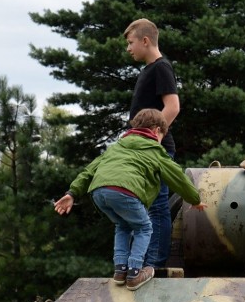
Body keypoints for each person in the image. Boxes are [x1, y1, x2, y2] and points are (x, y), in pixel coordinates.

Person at [55, 109, 205, 291]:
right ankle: (134, 273)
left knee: (123, 225)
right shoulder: (155, 150)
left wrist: (72, 193)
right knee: (144, 227)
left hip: (99, 192)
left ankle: (120, 271)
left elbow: (89, 170)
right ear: (157, 131)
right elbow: (178, 178)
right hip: (124, 191)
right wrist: (195, 200)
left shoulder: (117, 147)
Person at [125, 18, 180, 270]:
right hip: (141, 150)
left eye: (131, 42)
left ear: (145, 41)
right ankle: (141, 261)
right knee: (144, 206)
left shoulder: (161, 67)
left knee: (157, 206)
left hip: (155, 150)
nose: (129, 48)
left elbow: (172, 107)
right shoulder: (148, 70)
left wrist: (153, 140)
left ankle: (154, 264)